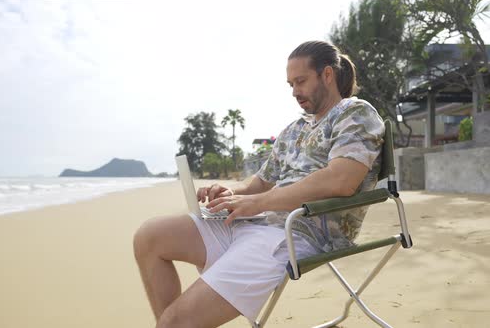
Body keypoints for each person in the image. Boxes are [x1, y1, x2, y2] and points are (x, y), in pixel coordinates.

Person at [133, 40, 385, 328]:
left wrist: (258, 203)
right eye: (290, 84)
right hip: (256, 222)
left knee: (173, 322)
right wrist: (230, 194)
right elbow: (258, 185)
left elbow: (342, 180)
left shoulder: (355, 113)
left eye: (301, 81)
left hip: (299, 234)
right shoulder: (295, 129)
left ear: (327, 75)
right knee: (150, 236)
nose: (294, 92)